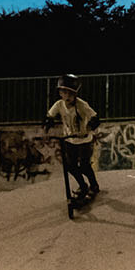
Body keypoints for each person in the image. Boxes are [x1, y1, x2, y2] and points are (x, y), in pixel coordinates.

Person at [44, 75, 102, 203]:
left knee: (84, 166)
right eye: (64, 92)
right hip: (69, 140)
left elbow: (95, 118)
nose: (67, 96)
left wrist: (89, 127)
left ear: (75, 94)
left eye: (70, 93)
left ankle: (94, 185)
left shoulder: (82, 105)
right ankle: (83, 186)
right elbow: (49, 115)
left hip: (84, 140)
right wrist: (48, 124)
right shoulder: (59, 104)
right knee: (70, 166)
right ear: (60, 93)